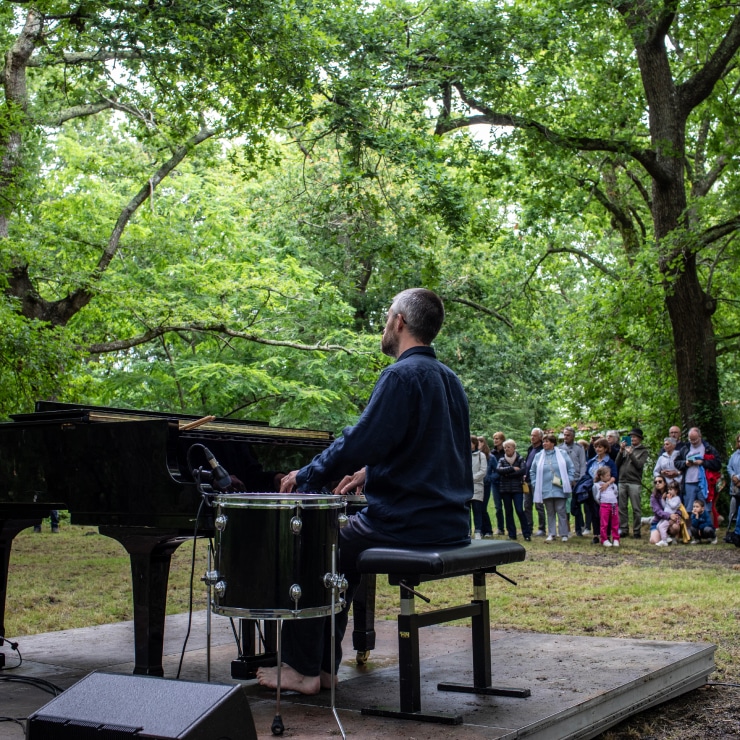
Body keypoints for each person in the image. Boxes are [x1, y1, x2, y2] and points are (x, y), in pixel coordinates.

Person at [255, 288, 472, 695]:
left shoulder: (400, 375)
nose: (385, 325)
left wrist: (306, 475)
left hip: (408, 524)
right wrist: (369, 472)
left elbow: (358, 441)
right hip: (451, 523)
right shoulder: (450, 380)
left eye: (387, 317)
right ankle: (323, 668)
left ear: (400, 322)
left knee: (314, 544)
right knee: (343, 553)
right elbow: (429, 448)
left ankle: (304, 669)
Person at [530, 433, 574, 542]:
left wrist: (568, 480)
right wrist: (535, 483)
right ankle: (552, 533)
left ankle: (564, 534)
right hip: (545, 488)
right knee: (549, 511)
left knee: (561, 510)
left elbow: (571, 468)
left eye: (547, 441)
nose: (544, 443)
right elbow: (532, 471)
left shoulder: (562, 454)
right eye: (544, 441)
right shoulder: (539, 455)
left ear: (553, 443)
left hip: (560, 487)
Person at [675, 427, 722, 519]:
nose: (693, 442)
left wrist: (703, 462)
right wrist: (685, 463)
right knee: (689, 508)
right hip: (688, 482)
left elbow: (718, 464)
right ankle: (690, 531)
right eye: (691, 439)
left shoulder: (708, 448)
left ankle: (708, 530)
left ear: (700, 436)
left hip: (705, 483)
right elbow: (676, 462)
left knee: (707, 508)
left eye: (695, 439)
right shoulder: (685, 448)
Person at [616, 428, 649, 538]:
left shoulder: (643, 451)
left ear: (639, 438)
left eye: (634, 437)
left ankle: (636, 531)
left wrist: (631, 454)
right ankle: (624, 529)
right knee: (622, 507)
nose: (632, 438)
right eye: (630, 437)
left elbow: (639, 465)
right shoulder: (625, 449)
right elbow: (616, 464)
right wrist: (621, 451)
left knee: (636, 508)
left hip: (634, 482)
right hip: (622, 480)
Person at [585, 437, 618, 544]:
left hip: (606, 491)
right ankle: (596, 535)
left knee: (606, 514)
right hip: (594, 489)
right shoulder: (591, 461)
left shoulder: (610, 462)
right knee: (594, 512)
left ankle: (606, 535)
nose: (598, 449)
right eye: (596, 447)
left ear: (605, 448)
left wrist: (606, 484)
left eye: (600, 447)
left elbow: (614, 476)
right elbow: (586, 474)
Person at [496, 439, 531, 541]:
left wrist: (507, 474)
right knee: (508, 511)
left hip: (517, 490)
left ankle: (526, 533)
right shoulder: (502, 460)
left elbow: (522, 471)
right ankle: (512, 534)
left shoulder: (520, 459)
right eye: (505, 447)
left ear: (514, 448)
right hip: (505, 490)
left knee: (519, 510)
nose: (506, 449)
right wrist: (512, 469)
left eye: (509, 447)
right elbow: (499, 470)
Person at [559, 426, 586, 535]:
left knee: (576, 505)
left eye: (568, 435)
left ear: (573, 436)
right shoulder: (559, 448)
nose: (566, 437)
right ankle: (566, 529)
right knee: (564, 506)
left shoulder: (579, 448)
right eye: (564, 435)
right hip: (564, 481)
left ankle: (579, 529)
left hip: (577, 480)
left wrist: (580, 481)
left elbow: (583, 465)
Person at [523, 428, 546, 536]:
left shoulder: (543, 450)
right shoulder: (530, 449)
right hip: (527, 481)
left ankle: (542, 528)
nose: (532, 437)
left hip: (538, 481)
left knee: (539, 505)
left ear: (540, 437)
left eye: (535, 436)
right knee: (527, 505)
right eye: (531, 435)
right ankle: (528, 527)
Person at [485, 432, 506, 536]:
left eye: (497, 438)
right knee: (498, 507)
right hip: (495, 483)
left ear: (502, 440)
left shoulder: (506, 451)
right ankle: (500, 528)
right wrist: (491, 478)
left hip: (506, 481)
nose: (495, 440)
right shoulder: (492, 453)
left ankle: (510, 528)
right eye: (494, 438)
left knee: (508, 506)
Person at [593, 465, 620, 547]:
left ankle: (616, 538)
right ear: (601, 476)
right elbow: (596, 496)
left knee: (615, 522)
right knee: (604, 523)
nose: (609, 477)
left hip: (614, 505)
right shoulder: (597, 485)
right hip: (604, 505)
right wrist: (602, 502)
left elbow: (616, 493)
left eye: (609, 475)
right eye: (607, 475)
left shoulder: (613, 485)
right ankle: (604, 539)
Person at [652, 478, 682, 546]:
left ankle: (664, 541)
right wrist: (663, 499)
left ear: (676, 491)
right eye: (655, 482)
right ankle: (667, 538)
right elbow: (664, 507)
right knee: (658, 526)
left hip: (670, 518)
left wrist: (676, 516)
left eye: (660, 481)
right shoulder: (654, 496)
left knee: (663, 526)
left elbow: (674, 506)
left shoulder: (677, 498)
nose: (657, 483)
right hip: (665, 517)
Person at [471, 435, 489, 539]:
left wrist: (472, 478)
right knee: (466, 510)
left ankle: (478, 531)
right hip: (465, 487)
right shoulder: (463, 455)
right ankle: (467, 531)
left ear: (474, 443)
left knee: (477, 509)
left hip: (477, 486)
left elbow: (483, 471)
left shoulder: (481, 455)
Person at [725, 432, 740, 543]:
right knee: (734, 510)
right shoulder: (734, 455)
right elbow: (729, 467)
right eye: (739, 441)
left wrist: (738, 477)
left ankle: (738, 533)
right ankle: (732, 532)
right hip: (735, 488)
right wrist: (733, 476)